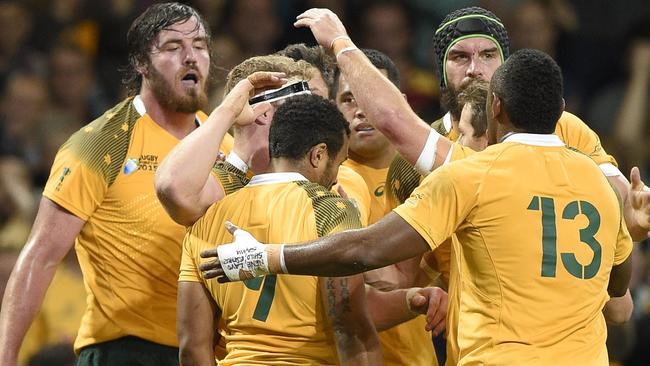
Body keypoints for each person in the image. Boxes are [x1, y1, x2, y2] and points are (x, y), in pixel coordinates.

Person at [203, 48, 634, 366]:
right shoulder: (599, 184)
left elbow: (366, 251)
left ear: (496, 107)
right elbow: (618, 285)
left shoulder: (473, 175)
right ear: (559, 111)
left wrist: (266, 256)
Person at [0, 3, 235, 365]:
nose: (191, 57)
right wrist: (6, 357)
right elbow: (40, 258)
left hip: (210, 353)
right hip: (126, 351)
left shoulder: (225, 145)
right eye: (173, 47)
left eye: (200, 46)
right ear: (141, 63)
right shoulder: (100, 143)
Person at [178, 93, 385, 365]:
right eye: (340, 163)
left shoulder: (208, 219)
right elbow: (351, 329)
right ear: (318, 155)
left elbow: (192, 347)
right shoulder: (333, 210)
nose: (336, 176)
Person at [333, 47, 437, 365]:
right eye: (349, 99)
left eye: (371, 96)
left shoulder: (436, 176)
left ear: (400, 104)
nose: (361, 111)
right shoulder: (329, 183)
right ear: (331, 109)